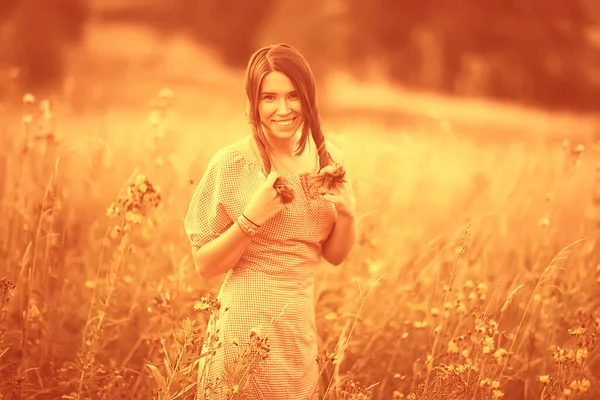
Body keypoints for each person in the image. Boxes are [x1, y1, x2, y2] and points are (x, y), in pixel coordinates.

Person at [184, 43, 356, 400]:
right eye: (269, 97)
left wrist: (347, 213)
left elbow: (335, 256)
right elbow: (205, 265)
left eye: (293, 96)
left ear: (308, 97)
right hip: (240, 331)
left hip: (297, 334)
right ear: (254, 102)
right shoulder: (230, 164)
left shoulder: (329, 159)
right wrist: (252, 218)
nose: (282, 109)